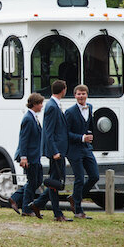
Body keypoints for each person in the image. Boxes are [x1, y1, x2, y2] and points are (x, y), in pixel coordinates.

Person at [9, 92, 48, 218]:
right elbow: (23, 139)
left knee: (37, 181)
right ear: (35, 104)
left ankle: (15, 198)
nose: (42, 106)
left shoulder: (34, 117)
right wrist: (23, 157)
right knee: (32, 182)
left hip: (35, 156)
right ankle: (26, 208)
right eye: (40, 103)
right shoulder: (28, 118)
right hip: (29, 157)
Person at [64, 84, 99, 219]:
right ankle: (78, 210)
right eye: (78, 94)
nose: (81, 96)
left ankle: (74, 197)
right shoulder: (70, 112)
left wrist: (90, 135)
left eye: (83, 94)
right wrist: (82, 138)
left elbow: (89, 125)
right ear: (75, 96)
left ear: (87, 95)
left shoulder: (89, 107)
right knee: (79, 178)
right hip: (74, 150)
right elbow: (66, 133)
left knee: (94, 176)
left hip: (86, 149)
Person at [41, 79, 71, 222]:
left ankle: (37, 204)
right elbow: (48, 131)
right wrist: (54, 151)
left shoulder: (55, 104)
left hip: (59, 149)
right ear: (63, 90)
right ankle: (57, 213)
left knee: (56, 181)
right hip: (56, 151)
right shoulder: (52, 106)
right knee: (55, 182)